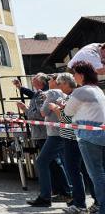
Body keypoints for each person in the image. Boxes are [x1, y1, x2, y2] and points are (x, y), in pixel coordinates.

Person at [47, 72, 92, 213]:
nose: (59, 87)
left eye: (60, 84)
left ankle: (79, 205)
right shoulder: (76, 95)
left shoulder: (73, 96)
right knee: (85, 172)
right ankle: (93, 202)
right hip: (78, 138)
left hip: (72, 139)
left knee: (74, 172)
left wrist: (55, 108)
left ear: (66, 83)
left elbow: (65, 119)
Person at [65, 62, 105, 213]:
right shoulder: (97, 89)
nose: (73, 77)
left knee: (96, 175)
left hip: (88, 137)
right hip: (101, 133)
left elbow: (68, 112)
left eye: (74, 73)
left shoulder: (80, 91)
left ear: (81, 75)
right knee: (101, 173)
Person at [27, 74, 73, 207]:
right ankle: (66, 193)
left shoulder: (52, 92)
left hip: (55, 134)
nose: (49, 81)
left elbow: (43, 112)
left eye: (51, 79)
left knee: (42, 161)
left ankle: (45, 197)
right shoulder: (62, 93)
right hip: (61, 132)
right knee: (58, 162)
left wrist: (42, 105)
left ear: (56, 82)